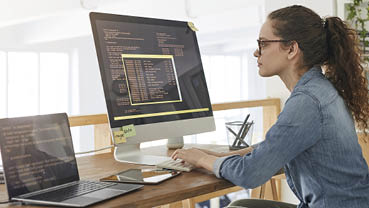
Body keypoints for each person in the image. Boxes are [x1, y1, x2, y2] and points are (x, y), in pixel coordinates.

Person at [172, 5, 369, 208]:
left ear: (292, 49)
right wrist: (222, 156)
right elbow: (277, 147)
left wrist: (202, 159)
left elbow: (250, 174)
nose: (256, 52)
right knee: (243, 205)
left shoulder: (307, 101)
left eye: (263, 43)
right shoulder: (319, 89)